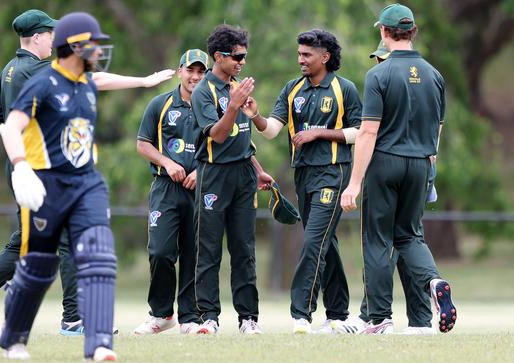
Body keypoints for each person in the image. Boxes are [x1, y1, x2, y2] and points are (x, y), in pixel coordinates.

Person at [0, 9, 174, 337]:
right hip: (40, 168)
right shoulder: (40, 71)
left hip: (24, 165)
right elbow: (90, 79)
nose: (55, 40)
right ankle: (74, 318)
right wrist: (142, 80)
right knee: (64, 239)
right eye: (50, 35)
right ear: (37, 37)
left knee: (30, 241)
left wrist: (17, 150)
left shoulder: (9, 70)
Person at [0, 11, 121, 361]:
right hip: (47, 184)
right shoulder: (42, 82)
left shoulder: (88, 85)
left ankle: (98, 343)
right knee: (38, 267)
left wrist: (145, 81)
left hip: (86, 183)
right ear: (73, 47)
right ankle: (15, 338)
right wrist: (21, 168)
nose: (98, 50)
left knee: (98, 254)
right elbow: (10, 127)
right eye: (92, 44)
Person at [340, 3, 457, 334]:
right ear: (413, 32)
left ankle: (379, 318)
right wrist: (428, 168)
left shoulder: (378, 74)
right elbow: (437, 130)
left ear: (383, 32)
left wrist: (354, 182)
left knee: (378, 241)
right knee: (410, 236)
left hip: (386, 163)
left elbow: (368, 132)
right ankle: (434, 281)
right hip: (421, 163)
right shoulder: (434, 75)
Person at [248, 29, 362, 334]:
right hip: (303, 174)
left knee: (313, 241)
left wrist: (320, 132)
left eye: (307, 55)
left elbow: (359, 132)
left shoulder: (344, 88)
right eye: (299, 54)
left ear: (324, 57)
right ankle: (338, 315)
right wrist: (256, 116)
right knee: (327, 241)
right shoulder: (292, 89)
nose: (301, 59)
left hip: (334, 172)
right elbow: (272, 129)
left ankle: (301, 313)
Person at [191, 24, 273, 335]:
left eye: (244, 56)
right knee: (209, 248)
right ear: (218, 56)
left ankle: (248, 319)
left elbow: (243, 138)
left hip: (243, 176)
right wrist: (234, 105)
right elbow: (220, 136)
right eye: (236, 56)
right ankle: (208, 318)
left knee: (244, 249)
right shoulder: (204, 92)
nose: (241, 62)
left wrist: (258, 168)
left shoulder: (238, 87)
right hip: (214, 175)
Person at [133, 49, 209, 335]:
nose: (195, 77)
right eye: (191, 70)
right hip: (165, 188)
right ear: (180, 71)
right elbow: (143, 144)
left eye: (202, 72)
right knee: (161, 252)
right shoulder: (160, 104)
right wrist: (167, 162)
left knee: (193, 254)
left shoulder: (212, 106)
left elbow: (222, 147)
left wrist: (200, 172)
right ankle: (162, 314)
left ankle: (190, 317)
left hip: (200, 190)